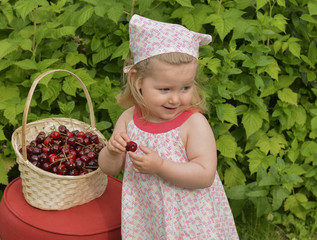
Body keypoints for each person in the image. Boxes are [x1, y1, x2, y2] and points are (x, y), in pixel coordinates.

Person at [98, 14, 239, 240]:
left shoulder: (193, 124)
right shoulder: (128, 120)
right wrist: (112, 151)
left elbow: (205, 174)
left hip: (191, 221)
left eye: (185, 88)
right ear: (137, 80)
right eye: (165, 89)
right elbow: (109, 169)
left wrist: (161, 166)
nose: (175, 99)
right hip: (147, 217)